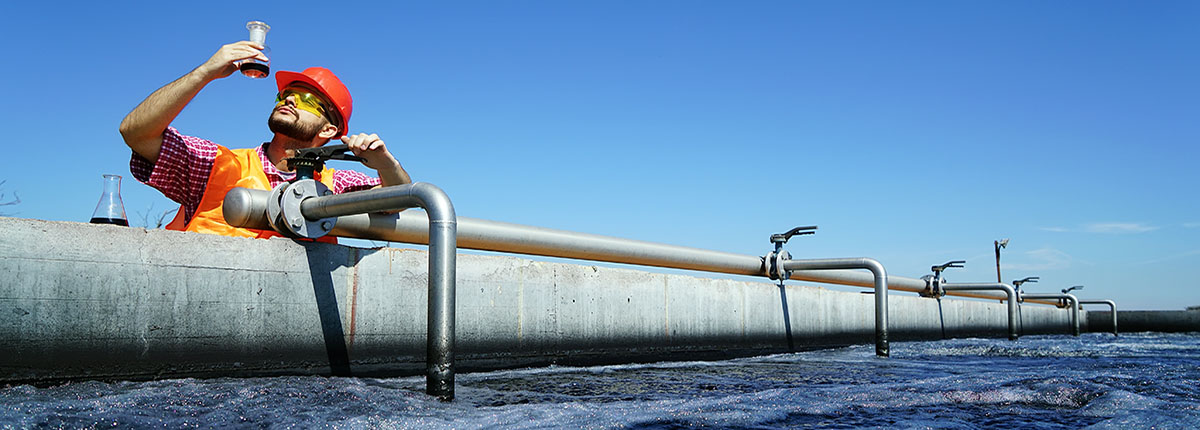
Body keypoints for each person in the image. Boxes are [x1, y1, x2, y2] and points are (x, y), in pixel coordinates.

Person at [120, 40, 410, 241]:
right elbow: (136, 133)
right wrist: (204, 73)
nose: (291, 100)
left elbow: (397, 199)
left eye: (307, 100)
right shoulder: (218, 164)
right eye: (285, 95)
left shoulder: (335, 186)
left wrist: (386, 163)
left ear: (328, 131)